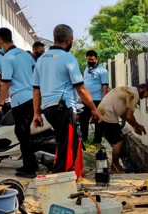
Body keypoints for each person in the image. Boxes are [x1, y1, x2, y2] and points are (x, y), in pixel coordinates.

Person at [32, 24, 102, 174]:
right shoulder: (68, 58)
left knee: (64, 145)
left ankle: (63, 178)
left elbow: (36, 90)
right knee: (69, 148)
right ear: (69, 39)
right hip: (64, 109)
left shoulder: (41, 59)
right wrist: (94, 109)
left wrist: (36, 113)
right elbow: (81, 88)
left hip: (48, 109)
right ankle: (60, 182)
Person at [0, 27, 38, 178]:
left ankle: (30, 169)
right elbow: (35, 76)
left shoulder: (8, 58)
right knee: (24, 133)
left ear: (0, 40)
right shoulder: (25, 54)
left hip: (20, 100)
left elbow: (6, 83)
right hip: (31, 98)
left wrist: (0, 104)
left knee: (22, 133)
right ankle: (30, 163)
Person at [97, 81, 148, 174]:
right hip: (107, 113)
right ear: (145, 89)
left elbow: (126, 115)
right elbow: (129, 116)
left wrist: (135, 126)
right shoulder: (134, 94)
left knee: (118, 140)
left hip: (103, 111)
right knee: (119, 140)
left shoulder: (131, 90)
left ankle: (115, 166)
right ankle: (114, 167)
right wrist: (137, 125)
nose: (146, 97)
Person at [79, 50, 109, 143]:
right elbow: (84, 84)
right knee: (83, 120)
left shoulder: (102, 70)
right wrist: (81, 97)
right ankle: (84, 139)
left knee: (98, 121)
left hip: (98, 100)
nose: (90, 61)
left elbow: (105, 85)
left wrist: (104, 101)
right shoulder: (86, 70)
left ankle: (97, 141)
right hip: (86, 100)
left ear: (96, 59)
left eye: (92, 59)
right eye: (88, 60)